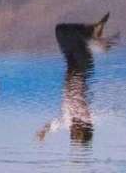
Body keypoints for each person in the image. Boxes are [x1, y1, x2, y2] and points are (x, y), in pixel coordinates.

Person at [37, 14, 116, 145]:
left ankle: (94, 37)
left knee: (61, 31)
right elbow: (99, 115)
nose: (72, 132)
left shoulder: (68, 120)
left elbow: (57, 123)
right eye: (77, 134)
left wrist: (45, 131)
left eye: (73, 135)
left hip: (71, 64)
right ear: (84, 129)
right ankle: (94, 36)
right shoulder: (84, 116)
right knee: (65, 32)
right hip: (82, 66)